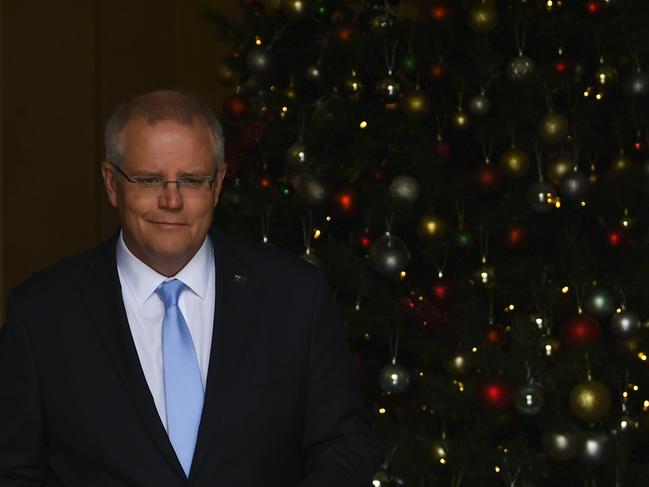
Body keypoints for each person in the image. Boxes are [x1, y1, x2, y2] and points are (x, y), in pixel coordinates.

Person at [0, 90, 382, 486]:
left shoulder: (294, 296)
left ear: (217, 184)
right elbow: (13, 470)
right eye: (149, 180)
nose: (171, 200)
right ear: (112, 184)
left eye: (192, 180)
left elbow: (345, 442)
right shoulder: (42, 313)